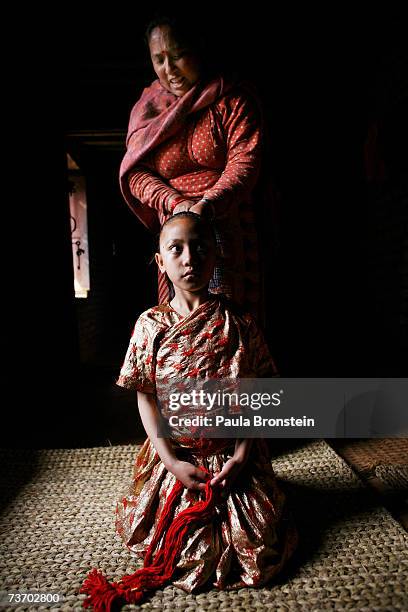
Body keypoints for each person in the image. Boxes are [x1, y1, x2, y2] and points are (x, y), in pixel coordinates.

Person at [80, 213, 297, 610]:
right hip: (177, 456)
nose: (189, 258)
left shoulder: (239, 324)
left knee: (257, 546)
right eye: (175, 249)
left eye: (200, 247)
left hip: (233, 454)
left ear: (215, 255)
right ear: (161, 262)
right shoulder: (150, 325)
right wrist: (171, 460)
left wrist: (242, 454)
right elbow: (144, 395)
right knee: (183, 551)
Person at [119, 14, 270, 320]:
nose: (169, 69)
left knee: (228, 320)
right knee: (180, 317)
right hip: (174, 227)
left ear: (198, 48)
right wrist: (175, 203)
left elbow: (245, 161)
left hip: (226, 223)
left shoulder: (231, 99)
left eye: (177, 56)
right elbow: (135, 172)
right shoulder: (147, 109)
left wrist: (207, 206)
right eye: (159, 59)